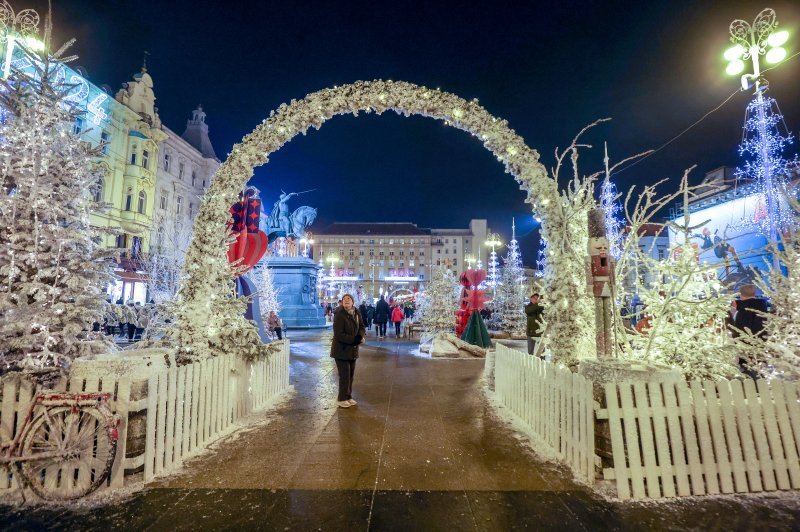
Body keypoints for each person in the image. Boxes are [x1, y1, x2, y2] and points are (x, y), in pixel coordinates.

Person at [330, 294, 366, 408]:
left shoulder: (356, 312)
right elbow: (339, 335)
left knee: (350, 375)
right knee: (344, 375)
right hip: (341, 350)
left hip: (352, 349)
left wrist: (360, 336)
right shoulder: (339, 314)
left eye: (348, 299)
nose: (346, 300)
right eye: (344, 299)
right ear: (342, 302)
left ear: (352, 302)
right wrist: (354, 340)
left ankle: (348, 396)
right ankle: (341, 398)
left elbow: (362, 326)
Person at [733, 284, 768, 378]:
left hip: (747, 346)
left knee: (750, 371)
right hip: (761, 343)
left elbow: (740, 329)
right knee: (760, 368)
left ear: (740, 294)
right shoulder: (762, 307)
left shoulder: (744, 310)